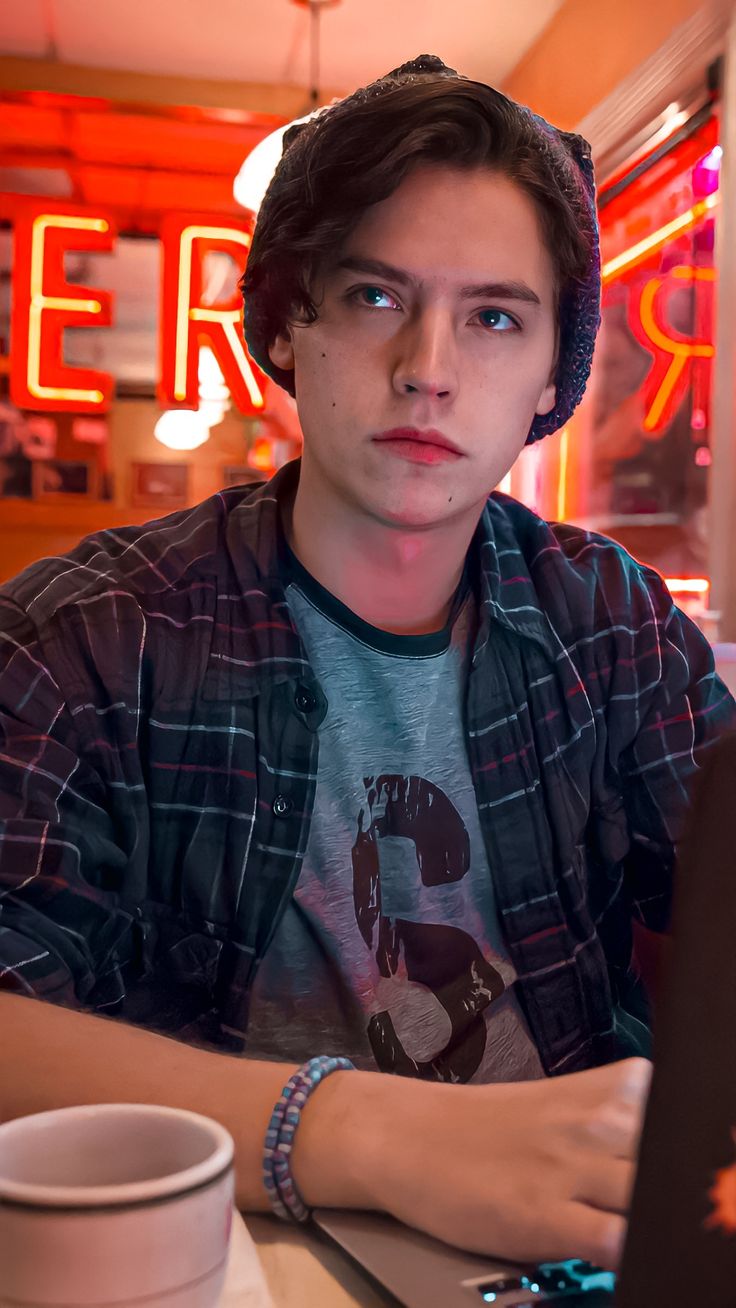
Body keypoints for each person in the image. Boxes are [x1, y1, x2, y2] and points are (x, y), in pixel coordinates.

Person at [1, 55, 734, 1271]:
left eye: (494, 315)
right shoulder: (86, 635)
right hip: (220, 1256)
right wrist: (366, 1132)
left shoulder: (611, 619)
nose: (428, 368)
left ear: (553, 373)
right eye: (375, 298)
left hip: (574, 1252)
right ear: (286, 324)